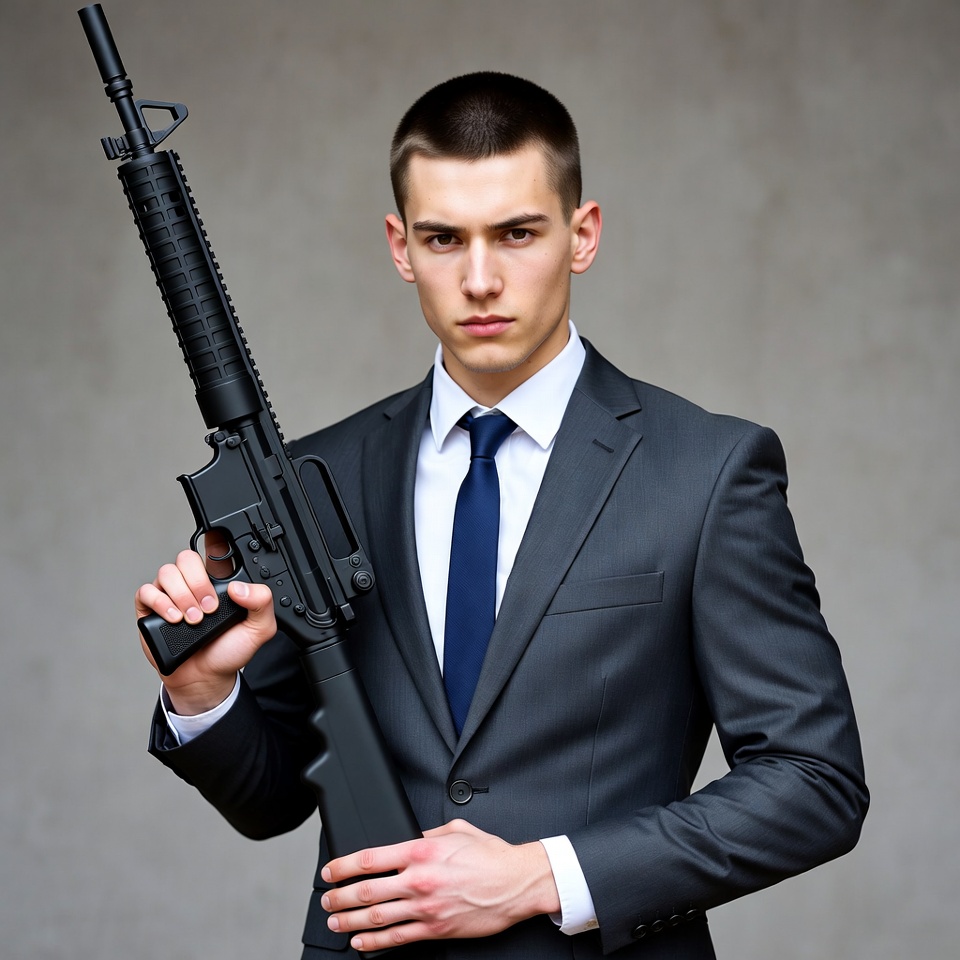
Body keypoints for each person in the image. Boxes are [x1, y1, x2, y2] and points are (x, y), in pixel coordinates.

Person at [136, 72, 868, 959]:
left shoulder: (707, 471)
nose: (480, 280)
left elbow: (814, 780)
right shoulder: (319, 476)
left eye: (517, 233)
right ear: (401, 246)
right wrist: (203, 694)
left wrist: (543, 875)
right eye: (444, 239)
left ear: (581, 234)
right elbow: (272, 799)